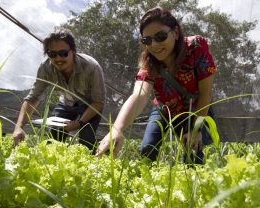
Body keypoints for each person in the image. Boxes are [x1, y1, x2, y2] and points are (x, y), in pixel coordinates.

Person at [96, 7, 217, 164]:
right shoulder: (148, 64)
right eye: (147, 40)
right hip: (163, 108)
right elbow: (139, 95)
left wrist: (196, 129)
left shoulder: (196, 46)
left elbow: (205, 93)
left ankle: (193, 184)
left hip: (194, 108)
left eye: (160, 36)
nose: (153, 45)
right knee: (147, 150)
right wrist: (116, 130)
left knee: (193, 155)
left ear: (176, 32)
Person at [12, 27, 106, 152]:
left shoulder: (91, 67)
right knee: (54, 139)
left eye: (63, 53)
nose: (58, 58)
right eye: (52, 54)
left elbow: (98, 101)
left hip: (90, 105)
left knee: (86, 142)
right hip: (66, 102)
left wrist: (79, 123)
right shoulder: (46, 68)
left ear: (73, 51)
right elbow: (33, 98)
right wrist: (19, 127)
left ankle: (94, 161)